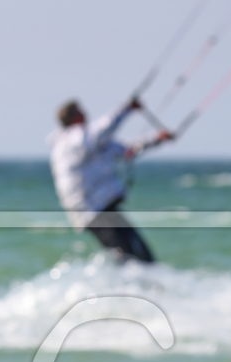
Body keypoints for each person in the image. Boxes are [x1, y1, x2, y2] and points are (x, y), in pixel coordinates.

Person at [48, 97, 173, 263]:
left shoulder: (89, 144)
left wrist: (158, 139)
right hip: (92, 210)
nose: (86, 114)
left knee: (143, 256)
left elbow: (127, 150)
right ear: (73, 117)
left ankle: (151, 284)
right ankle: (129, 285)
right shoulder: (72, 140)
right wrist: (127, 108)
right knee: (125, 255)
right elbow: (104, 129)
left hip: (105, 208)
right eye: (80, 111)